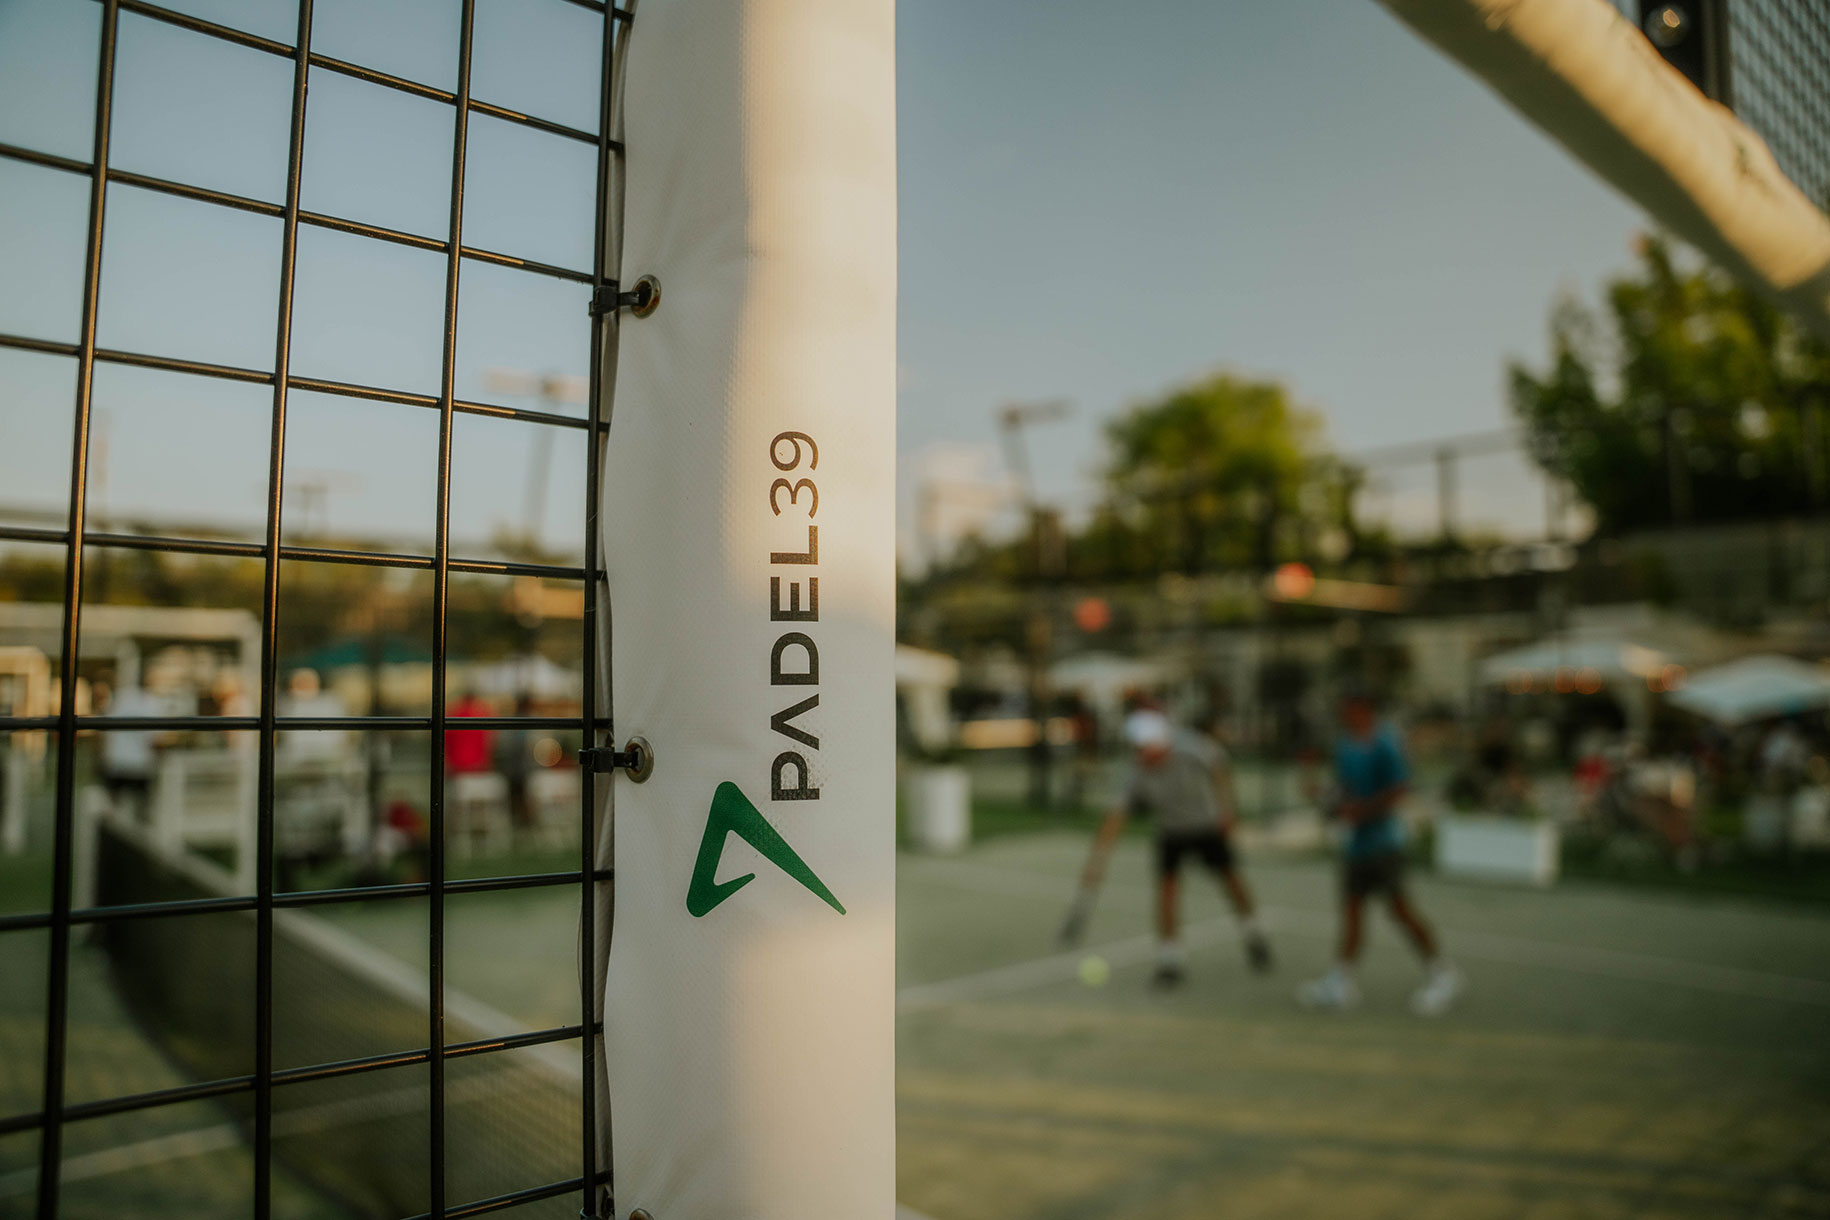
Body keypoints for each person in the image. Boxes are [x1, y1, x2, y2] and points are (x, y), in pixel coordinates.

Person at [1063, 706, 1272, 988]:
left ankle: (1253, 934)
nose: (1142, 755)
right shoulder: (1135, 770)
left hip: (1206, 826)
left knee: (1231, 881)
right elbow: (1114, 819)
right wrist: (1099, 857)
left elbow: (1221, 770)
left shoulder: (1194, 748)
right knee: (1167, 893)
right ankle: (1170, 960)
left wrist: (1228, 811)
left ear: (1162, 742)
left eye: (1146, 748)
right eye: (1138, 749)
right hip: (1172, 831)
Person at [1300, 687, 1461, 1016]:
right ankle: (1342, 981)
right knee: (1352, 912)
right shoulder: (1344, 744)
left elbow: (1399, 789)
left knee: (1400, 910)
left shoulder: (1385, 742)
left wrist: (1363, 811)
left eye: (1346, 706)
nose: (1342, 713)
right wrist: (1322, 793)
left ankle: (1442, 973)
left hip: (1385, 844)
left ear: (1363, 706)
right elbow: (1344, 791)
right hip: (1356, 846)